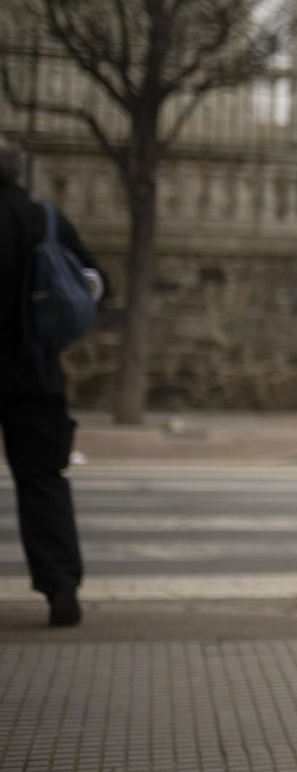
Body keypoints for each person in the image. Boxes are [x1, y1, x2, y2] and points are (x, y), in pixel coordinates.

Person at [0, 135, 106, 628]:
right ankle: (60, 585)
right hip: (35, 370)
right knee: (42, 479)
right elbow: (95, 281)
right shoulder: (44, 220)